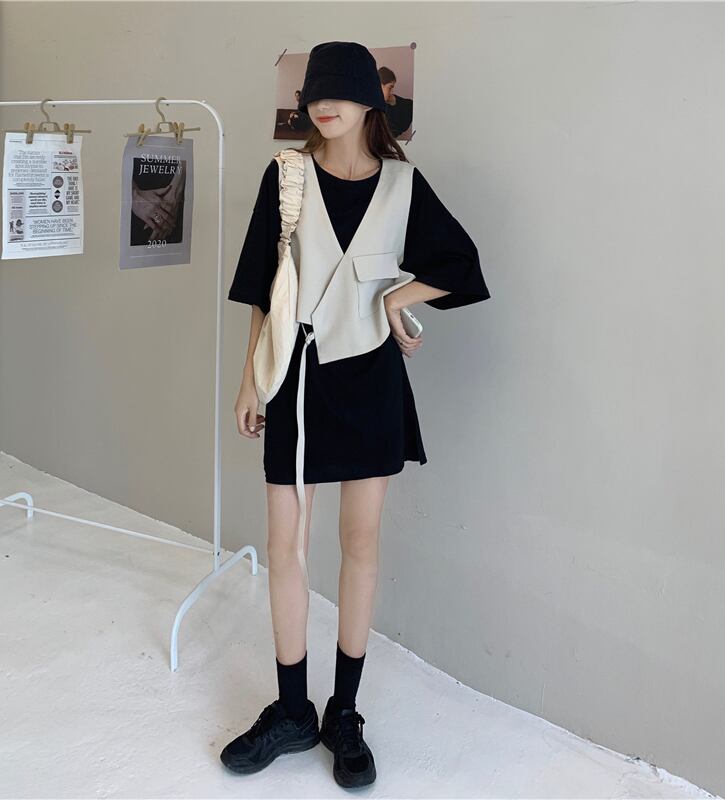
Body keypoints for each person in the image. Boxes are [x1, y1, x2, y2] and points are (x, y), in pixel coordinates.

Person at [221, 41, 490, 788]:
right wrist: (250, 381)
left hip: (371, 380)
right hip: (296, 377)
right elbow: (262, 287)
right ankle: (292, 712)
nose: (322, 105)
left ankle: (344, 712)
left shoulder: (404, 185)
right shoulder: (286, 176)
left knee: (360, 543)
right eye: (313, 94)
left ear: (372, 100)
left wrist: (396, 295)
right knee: (285, 546)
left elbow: (461, 266)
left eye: (337, 92)